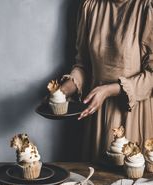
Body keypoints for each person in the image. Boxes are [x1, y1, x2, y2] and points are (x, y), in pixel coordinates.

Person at [60, 0, 153, 163]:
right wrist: (62, 92)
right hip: (96, 115)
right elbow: (83, 65)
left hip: (132, 112)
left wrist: (110, 90)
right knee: (96, 180)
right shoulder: (90, 6)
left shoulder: (147, 7)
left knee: (130, 180)